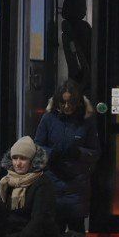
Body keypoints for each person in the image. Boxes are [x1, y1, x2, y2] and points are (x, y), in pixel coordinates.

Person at [34, 79, 100, 227]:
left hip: (77, 185)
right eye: (62, 103)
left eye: (71, 103)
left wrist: (78, 153)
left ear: (78, 102)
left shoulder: (86, 122)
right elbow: (37, 147)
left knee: (76, 230)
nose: (67, 106)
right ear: (57, 102)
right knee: (54, 232)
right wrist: (52, 153)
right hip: (53, 182)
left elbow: (95, 152)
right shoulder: (48, 119)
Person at [59, 0, 92, 87]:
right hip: (83, 77)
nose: (85, 9)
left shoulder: (67, 27)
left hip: (75, 77)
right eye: (83, 5)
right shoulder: (82, 27)